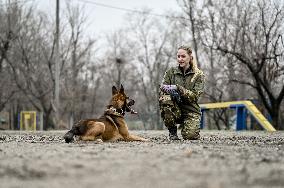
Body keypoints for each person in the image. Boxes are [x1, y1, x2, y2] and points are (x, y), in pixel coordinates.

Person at [159, 45, 205, 140]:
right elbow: (163, 88)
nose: (180, 59)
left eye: (183, 56)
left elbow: (195, 97)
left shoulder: (198, 75)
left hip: (191, 110)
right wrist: (170, 92)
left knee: (190, 136)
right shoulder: (171, 72)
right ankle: (172, 131)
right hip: (175, 109)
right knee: (164, 98)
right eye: (178, 56)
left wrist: (178, 88)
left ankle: (186, 126)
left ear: (190, 57)